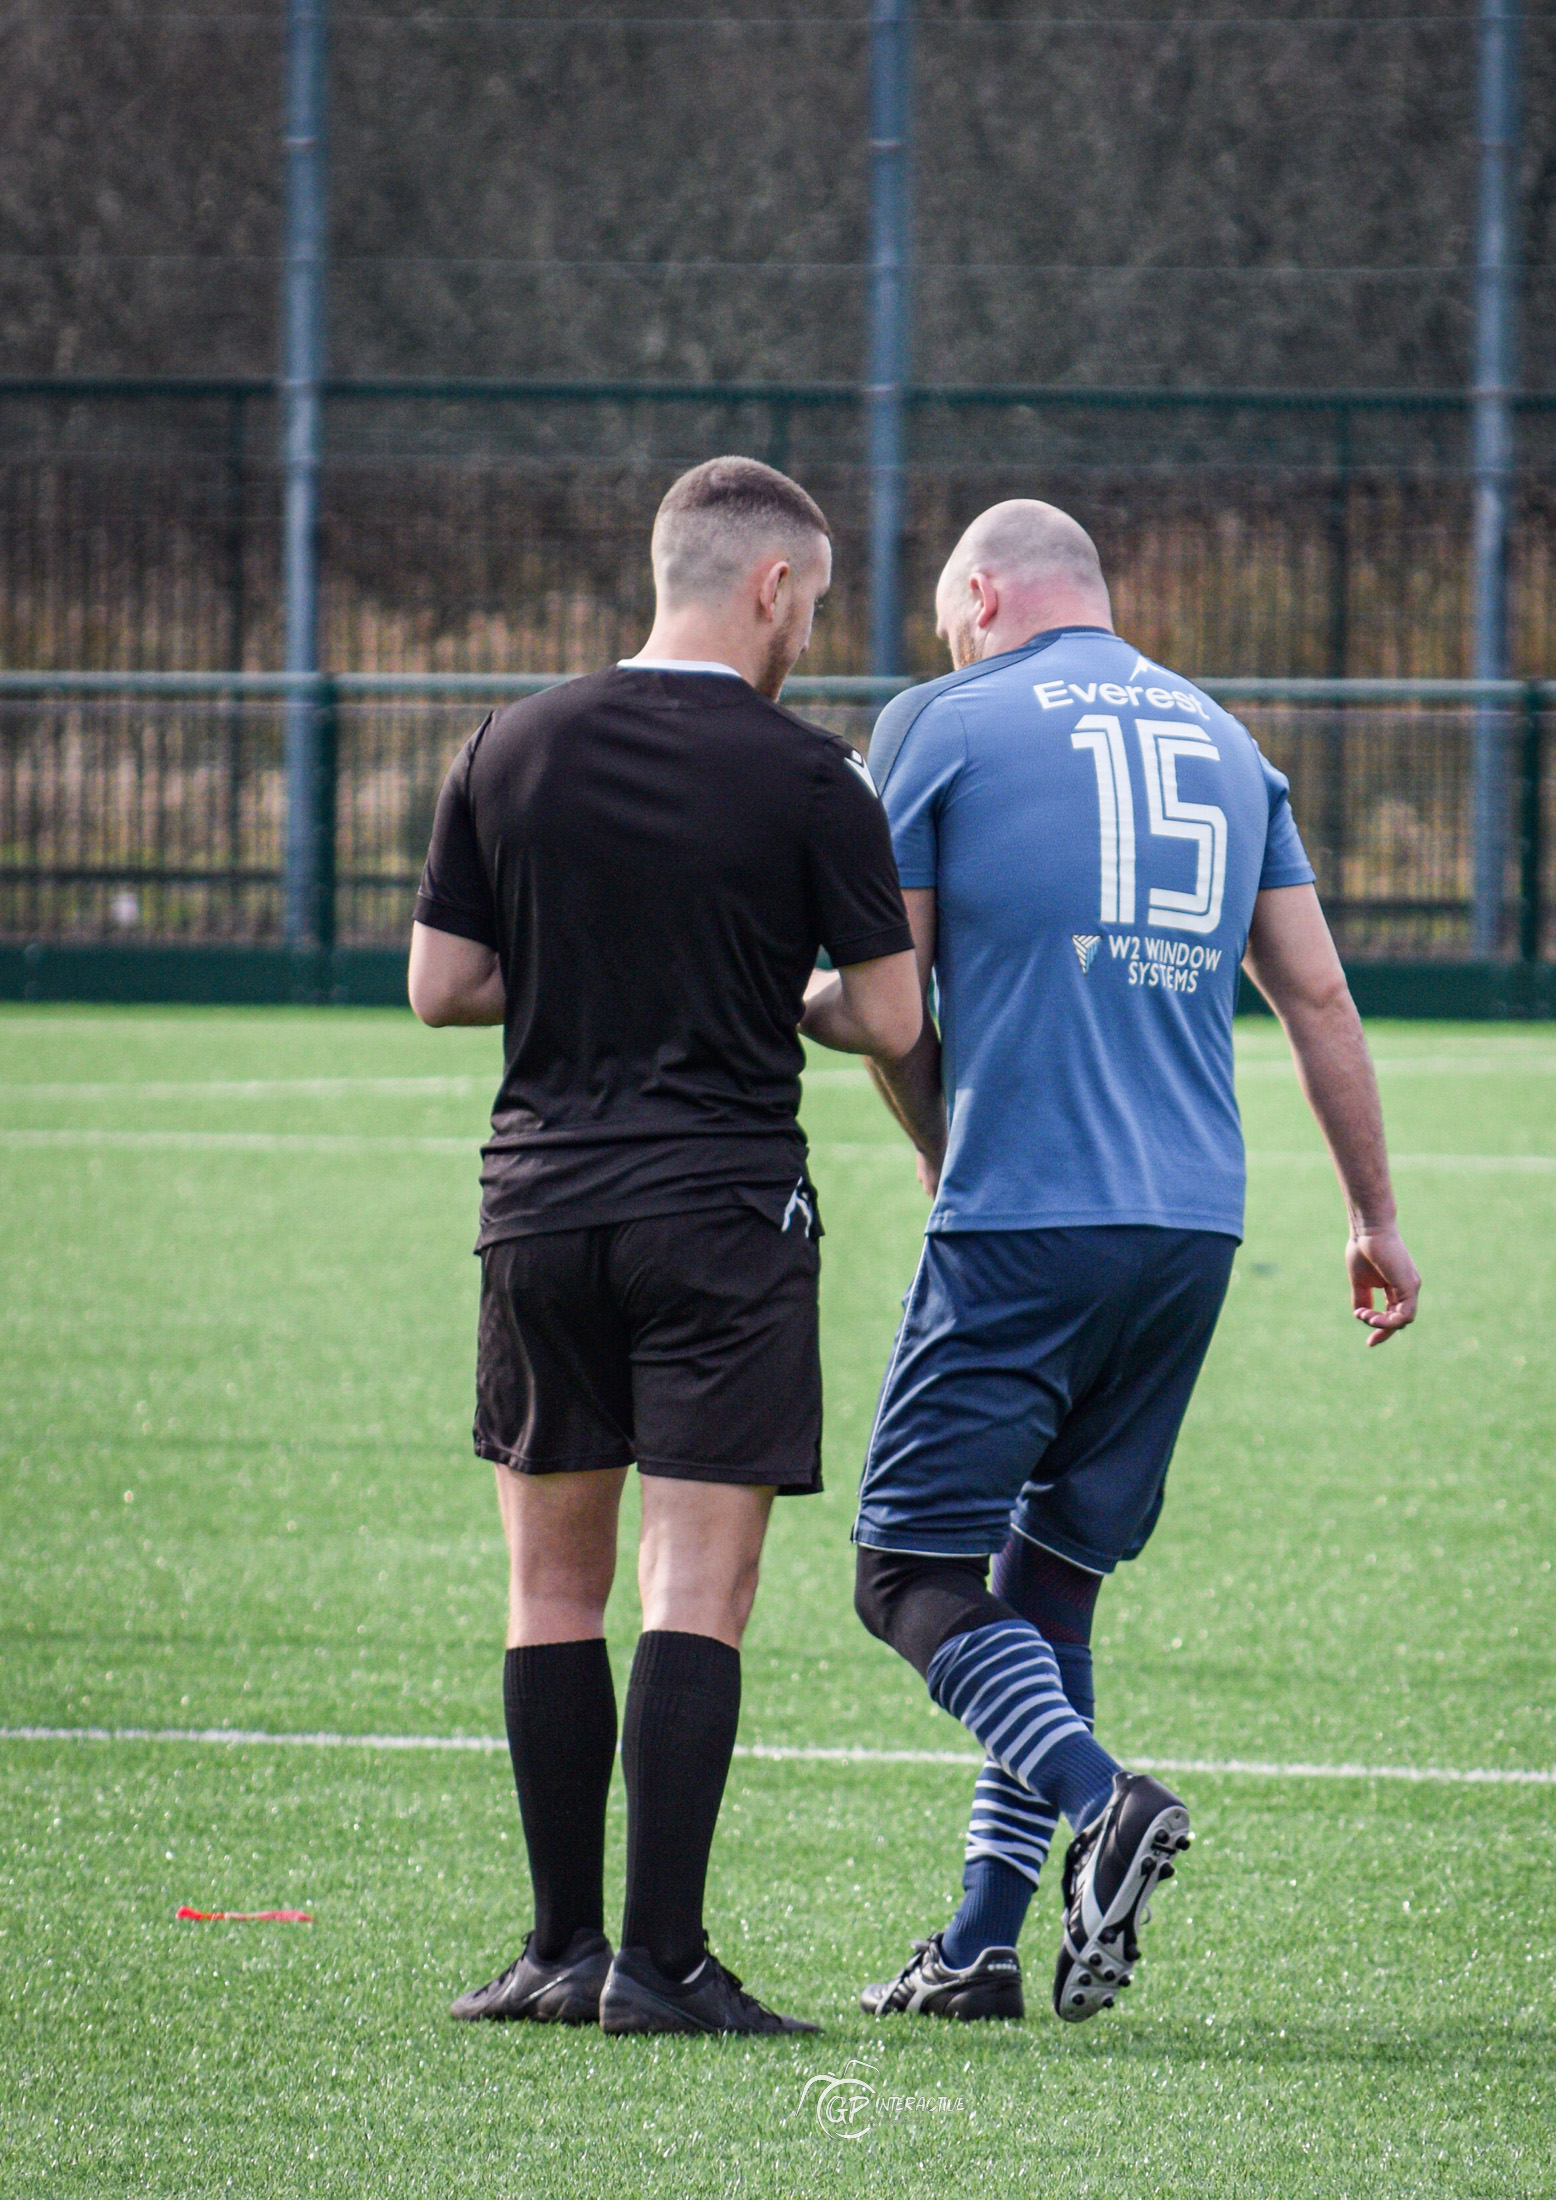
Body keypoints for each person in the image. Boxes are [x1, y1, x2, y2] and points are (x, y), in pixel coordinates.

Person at [809, 499, 1420, 2025]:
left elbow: (887, 1002)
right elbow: (1322, 1002)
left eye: (949, 611)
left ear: (982, 592)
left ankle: (1105, 1797)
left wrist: (786, 1001)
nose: (945, 637)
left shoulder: (938, 720)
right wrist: (1372, 1218)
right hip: (1191, 1228)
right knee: (1050, 1587)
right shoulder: (1226, 738)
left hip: (1026, 1214)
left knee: (910, 1574)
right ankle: (978, 1949)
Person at [409, 456, 921, 2037]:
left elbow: (443, 985)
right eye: (814, 608)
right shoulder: (811, 774)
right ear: (769, 586)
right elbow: (889, 1017)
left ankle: (559, 1951)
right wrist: (765, 987)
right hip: (722, 1213)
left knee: (548, 1591)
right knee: (695, 1585)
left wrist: (593, 980)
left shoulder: (511, 745)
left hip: (541, 1213)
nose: (810, 639)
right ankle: (666, 1965)